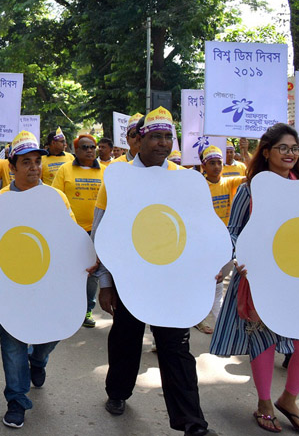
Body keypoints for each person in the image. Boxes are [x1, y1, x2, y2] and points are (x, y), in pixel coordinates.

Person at [92, 107, 216, 436]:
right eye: (156, 136)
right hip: (129, 280)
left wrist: (205, 270)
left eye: (168, 137)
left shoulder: (184, 178)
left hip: (172, 283)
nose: (162, 144)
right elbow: (100, 232)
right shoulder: (117, 177)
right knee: (125, 340)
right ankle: (117, 393)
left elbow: (200, 230)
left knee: (176, 349)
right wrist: (105, 283)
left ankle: (193, 424)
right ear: (139, 140)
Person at [0, 130, 82, 429]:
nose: (33, 167)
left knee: (53, 332)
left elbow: (71, 238)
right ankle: (17, 400)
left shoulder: (56, 198)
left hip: (49, 282)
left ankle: (39, 360)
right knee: (13, 343)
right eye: (26, 162)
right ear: (12, 167)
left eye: (36, 162)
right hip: (11, 285)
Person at [210, 123, 299, 435]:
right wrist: (237, 260)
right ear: (267, 151)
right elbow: (234, 231)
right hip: (261, 277)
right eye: (283, 148)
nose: (290, 153)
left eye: (294, 148)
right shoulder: (249, 189)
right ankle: (264, 403)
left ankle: (289, 399)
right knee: (263, 338)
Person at [52, 133, 105, 328]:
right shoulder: (65, 170)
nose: (90, 150)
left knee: (91, 272)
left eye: (92, 147)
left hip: (95, 231)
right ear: (76, 150)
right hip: (70, 231)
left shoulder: (105, 172)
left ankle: (86, 309)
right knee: (67, 269)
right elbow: (55, 198)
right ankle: (66, 306)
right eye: (85, 147)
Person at [194, 145, 245, 335]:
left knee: (216, 284)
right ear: (203, 166)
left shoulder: (230, 182)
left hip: (226, 244)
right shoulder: (199, 186)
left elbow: (252, 177)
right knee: (210, 284)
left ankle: (218, 322)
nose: (217, 167)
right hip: (205, 245)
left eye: (219, 163)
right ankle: (210, 321)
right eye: (212, 163)